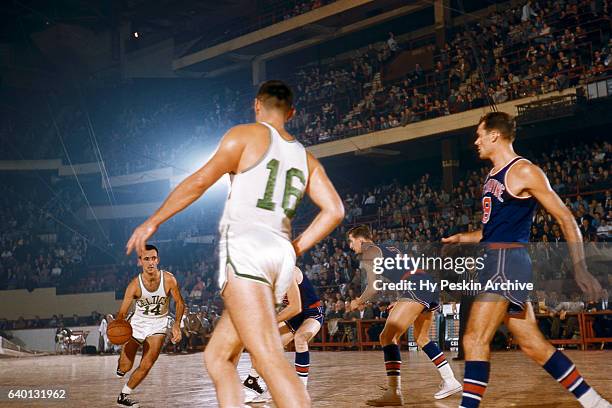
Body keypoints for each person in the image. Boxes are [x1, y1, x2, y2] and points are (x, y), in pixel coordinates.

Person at [125, 80, 344, 408]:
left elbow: (199, 181)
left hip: (248, 252)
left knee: (269, 358)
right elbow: (335, 210)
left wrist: (154, 220)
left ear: (257, 105)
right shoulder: (307, 158)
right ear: (292, 112)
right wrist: (295, 248)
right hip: (277, 256)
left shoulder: (245, 134)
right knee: (217, 358)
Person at [442, 112, 609, 408]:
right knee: (533, 344)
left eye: (480, 134)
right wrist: (463, 238)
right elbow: (492, 230)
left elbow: (565, 217)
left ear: (495, 135)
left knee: (473, 339)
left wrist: (580, 266)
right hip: (497, 258)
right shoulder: (493, 175)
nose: (476, 141)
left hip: (506, 261)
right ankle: (594, 402)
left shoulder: (524, 171)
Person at [347, 225, 462, 406]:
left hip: (415, 287)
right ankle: (450, 380)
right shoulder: (389, 247)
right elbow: (407, 270)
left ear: (361, 240)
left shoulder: (368, 252)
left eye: (351, 242)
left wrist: (357, 301)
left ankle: (394, 392)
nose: (351, 246)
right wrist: (402, 299)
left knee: (387, 337)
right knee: (421, 338)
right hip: (427, 284)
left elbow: (373, 288)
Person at [114, 244, 185, 407]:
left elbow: (180, 303)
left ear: (157, 260)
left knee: (147, 363)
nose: (151, 262)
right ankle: (122, 365)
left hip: (158, 324)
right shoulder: (134, 285)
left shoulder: (169, 279)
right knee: (125, 366)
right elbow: (122, 313)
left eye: (153, 258)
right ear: (140, 262)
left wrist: (176, 325)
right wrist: (119, 329)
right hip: (137, 323)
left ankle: (124, 396)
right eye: (147, 259)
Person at [243, 266, 324, 403]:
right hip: (295, 317)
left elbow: (295, 307)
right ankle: (258, 381)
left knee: (300, 338)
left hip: (312, 312)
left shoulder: (289, 272)